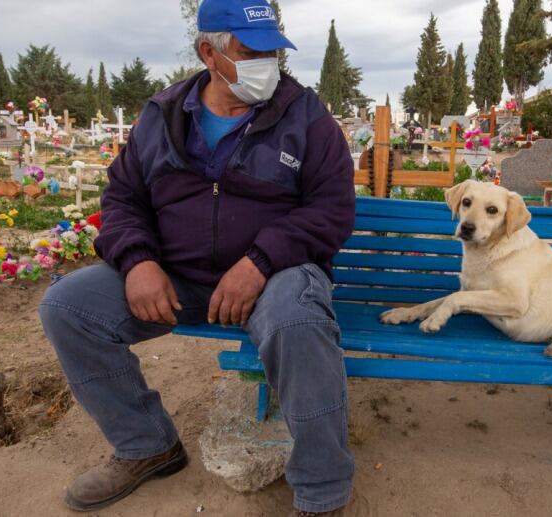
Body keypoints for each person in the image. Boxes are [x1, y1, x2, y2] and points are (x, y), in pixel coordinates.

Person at [38, 0, 357, 515]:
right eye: (252, 53)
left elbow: (332, 210)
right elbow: (122, 200)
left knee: (298, 322)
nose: (268, 65)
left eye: (274, 51)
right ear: (209, 52)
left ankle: (322, 490)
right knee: (68, 307)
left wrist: (259, 261)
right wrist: (138, 260)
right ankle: (147, 445)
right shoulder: (161, 116)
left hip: (276, 275)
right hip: (177, 276)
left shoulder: (306, 117)